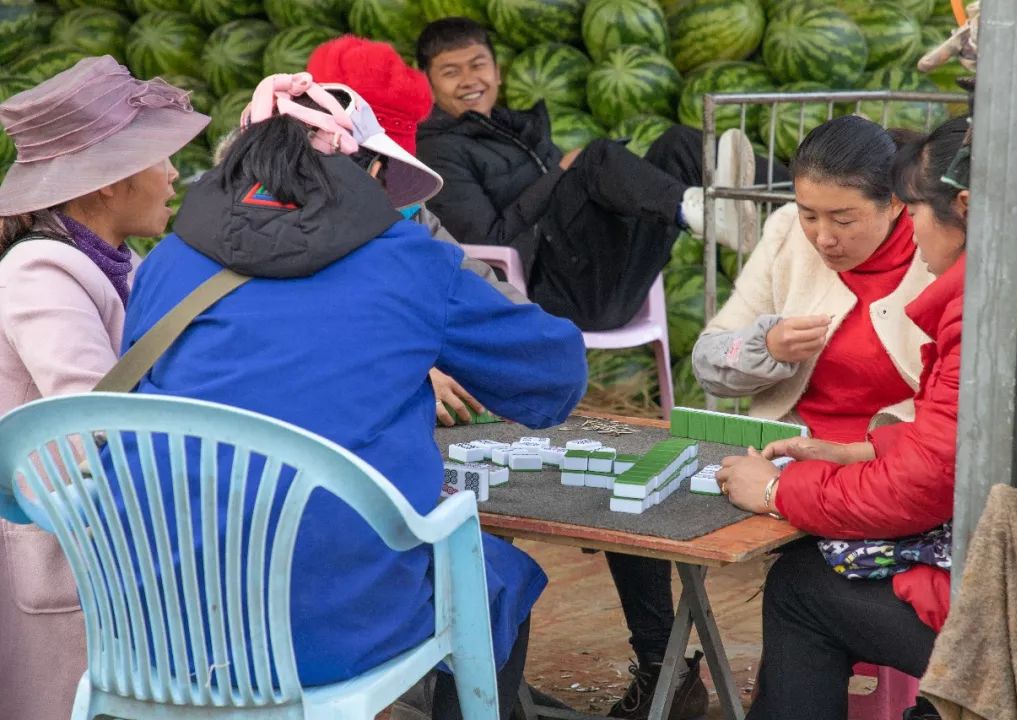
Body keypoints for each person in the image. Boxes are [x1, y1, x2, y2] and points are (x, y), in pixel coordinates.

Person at [118, 72, 587, 719]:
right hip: (334, 624)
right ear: (365, 168)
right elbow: (555, 377)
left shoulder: (167, 261)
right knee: (493, 579)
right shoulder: (407, 259)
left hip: (166, 622)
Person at [718, 116, 972, 720]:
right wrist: (857, 451)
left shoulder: (970, 312)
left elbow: (921, 488)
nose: (822, 237)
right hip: (870, 481)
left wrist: (779, 490)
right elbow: (945, 444)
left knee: (802, 588)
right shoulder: (996, 293)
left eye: (912, 214)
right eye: (809, 216)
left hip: (1003, 607)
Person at [0, 56, 208, 720]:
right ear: (107, 182)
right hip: (70, 558)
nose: (173, 173)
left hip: (112, 550)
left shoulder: (119, 263)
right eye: (159, 157)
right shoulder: (39, 273)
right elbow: (97, 418)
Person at [414, 16, 786, 333]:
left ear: (496, 72)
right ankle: (702, 213)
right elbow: (489, 241)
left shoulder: (515, 128)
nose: (468, 79)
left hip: (606, 277)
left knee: (679, 144)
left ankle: (800, 192)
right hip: (555, 295)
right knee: (595, 157)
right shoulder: (438, 150)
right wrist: (561, 172)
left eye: (477, 65)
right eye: (450, 72)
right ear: (427, 82)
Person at [306, 34, 526, 428]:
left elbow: (461, 272)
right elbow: (314, 327)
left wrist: (532, 336)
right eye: (383, 169)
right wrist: (416, 370)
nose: (392, 188)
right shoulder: (270, 222)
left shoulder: (404, 206)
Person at [693, 115, 935, 442]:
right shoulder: (786, 232)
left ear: (893, 203)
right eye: (808, 215)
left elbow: (953, 410)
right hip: (785, 449)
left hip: (896, 461)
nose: (823, 238)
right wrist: (767, 348)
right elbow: (708, 361)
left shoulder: (938, 252)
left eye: (843, 220)